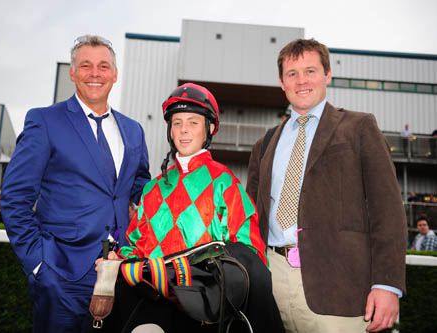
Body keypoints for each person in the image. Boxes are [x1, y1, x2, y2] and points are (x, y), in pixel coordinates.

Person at [246, 39, 407, 333]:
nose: (302, 80)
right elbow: (249, 216)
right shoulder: (265, 143)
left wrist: (387, 284)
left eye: (310, 70)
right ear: (282, 82)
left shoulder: (359, 127)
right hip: (272, 283)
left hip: (340, 289)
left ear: (327, 75)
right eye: (292, 73)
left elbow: (388, 211)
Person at [97, 83, 283, 333]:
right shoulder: (153, 189)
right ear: (170, 131)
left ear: (210, 128)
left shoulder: (225, 182)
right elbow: (135, 245)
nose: (184, 130)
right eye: (177, 123)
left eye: (193, 122)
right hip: (155, 304)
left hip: (206, 310)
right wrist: (116, 259)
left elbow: (250, 254)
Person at [1, 34, 150, 332]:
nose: (95, 73)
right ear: (72, 73)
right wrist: (40, 265)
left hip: (118, 273)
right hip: (60, 275)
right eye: (86, 65)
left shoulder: (133, 131)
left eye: (103, 66)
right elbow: (14, 198)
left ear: (115, 74)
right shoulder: (45, 122)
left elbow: (144, 192)